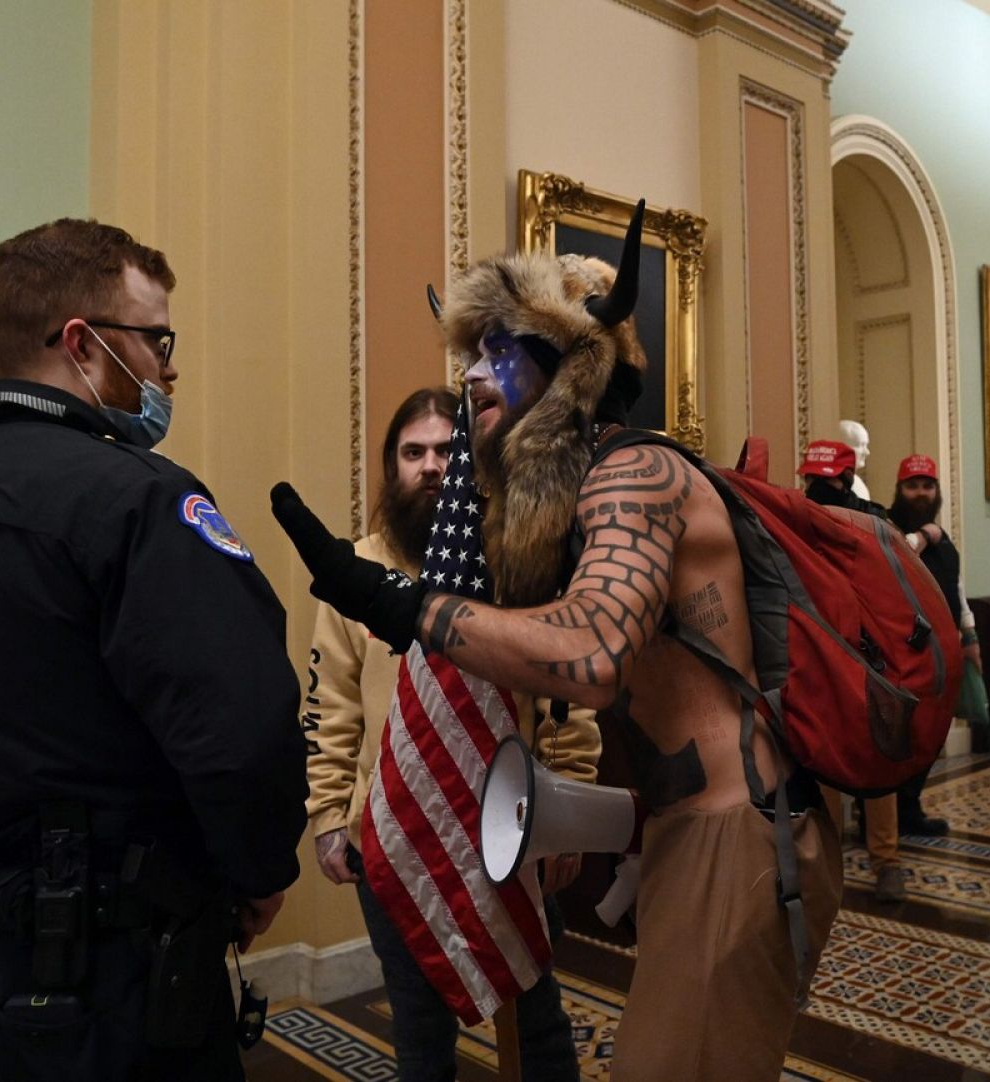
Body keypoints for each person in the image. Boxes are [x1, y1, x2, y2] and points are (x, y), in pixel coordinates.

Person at [272, 219, 843, 1082]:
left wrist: (403, 603)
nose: (468, 376)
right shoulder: (589, 489)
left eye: (496, 348)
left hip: (739, 831)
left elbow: (593, 651)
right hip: (693, 829)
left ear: (571, 365)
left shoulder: (634, 477)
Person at [0, 218, 308, 1081]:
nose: (170, 367)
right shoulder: (143, 505)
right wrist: (258, 870)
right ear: (84, 346)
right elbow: (242, 729)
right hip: (119, 987)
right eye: (157, 339)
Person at [303, 386, 594, 1081]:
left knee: (539, 1025)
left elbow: (566, 693)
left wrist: (570, 813)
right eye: (413, 453)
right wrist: (326, 816)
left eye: (444, 451)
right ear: (391, 467)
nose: (431, 467)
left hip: (510, 838)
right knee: (420, 1030)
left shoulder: (513, 563)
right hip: (393, 840)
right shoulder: (356, 569)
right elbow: (329, 705)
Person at [796, 440, 906, 901]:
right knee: (825, 763)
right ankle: (827, 860)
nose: (817, 489)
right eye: (811, 481)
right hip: (819, 659)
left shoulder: (875, 521)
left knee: (879, 763)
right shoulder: (794, 519)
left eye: (825, 481)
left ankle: (887, 861)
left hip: (871, 660)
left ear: (844, 479)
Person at [888, 453, 973, 837]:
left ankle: (910, 809)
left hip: (944, 656)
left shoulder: (944, 540)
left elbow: (957, 589)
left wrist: (970, 637)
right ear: (899, 490)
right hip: (901, 656)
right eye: (912, 486)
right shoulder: (886, 528)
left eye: (928, 485)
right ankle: (886, 816)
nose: (921, 493)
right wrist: (922, 538)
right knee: (899, 738)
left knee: (930, 735)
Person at [837, 418, 873, 500]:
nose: (867, 452)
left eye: (866, 445)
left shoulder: (857, 483)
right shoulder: (832, 485)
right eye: (860, 445)